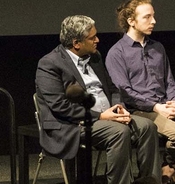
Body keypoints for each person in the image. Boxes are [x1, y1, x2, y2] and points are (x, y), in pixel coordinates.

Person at [35, 15, 159, 184]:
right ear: (76, 43)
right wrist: (100, 116)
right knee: (118, 132)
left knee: (147, 127)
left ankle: (150, 181)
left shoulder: (95, 57)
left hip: (108, 116)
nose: (97, 40)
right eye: (92, 38)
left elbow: (113, 88)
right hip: (72, 124)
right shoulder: (50, 64)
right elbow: (60, 106)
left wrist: (118, 106)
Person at [106, 0, 175, 184]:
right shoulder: (117, 53)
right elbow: (125, 91)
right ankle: (166, 172)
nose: (153, 21)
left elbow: (170, 81)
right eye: (147, 17)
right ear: (131, 21)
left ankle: (170, 168)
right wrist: (157, 107)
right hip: (139, 110)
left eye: (153, 16)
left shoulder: (158, 48)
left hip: (165, 105)